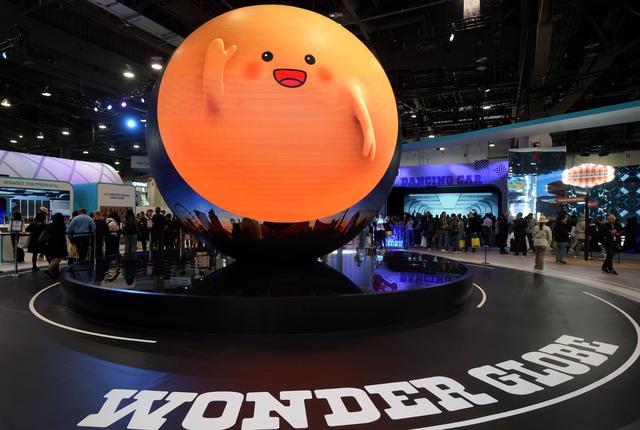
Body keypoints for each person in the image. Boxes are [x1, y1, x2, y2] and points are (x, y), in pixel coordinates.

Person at [43, 213, 68, 278]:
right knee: (58, 258)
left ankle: (55, 272)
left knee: (53, 257)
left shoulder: (50, 225)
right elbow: (64, 234)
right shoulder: (63, 225)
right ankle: (49, 269)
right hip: (60, 243)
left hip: (51, 243)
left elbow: (47, 234)